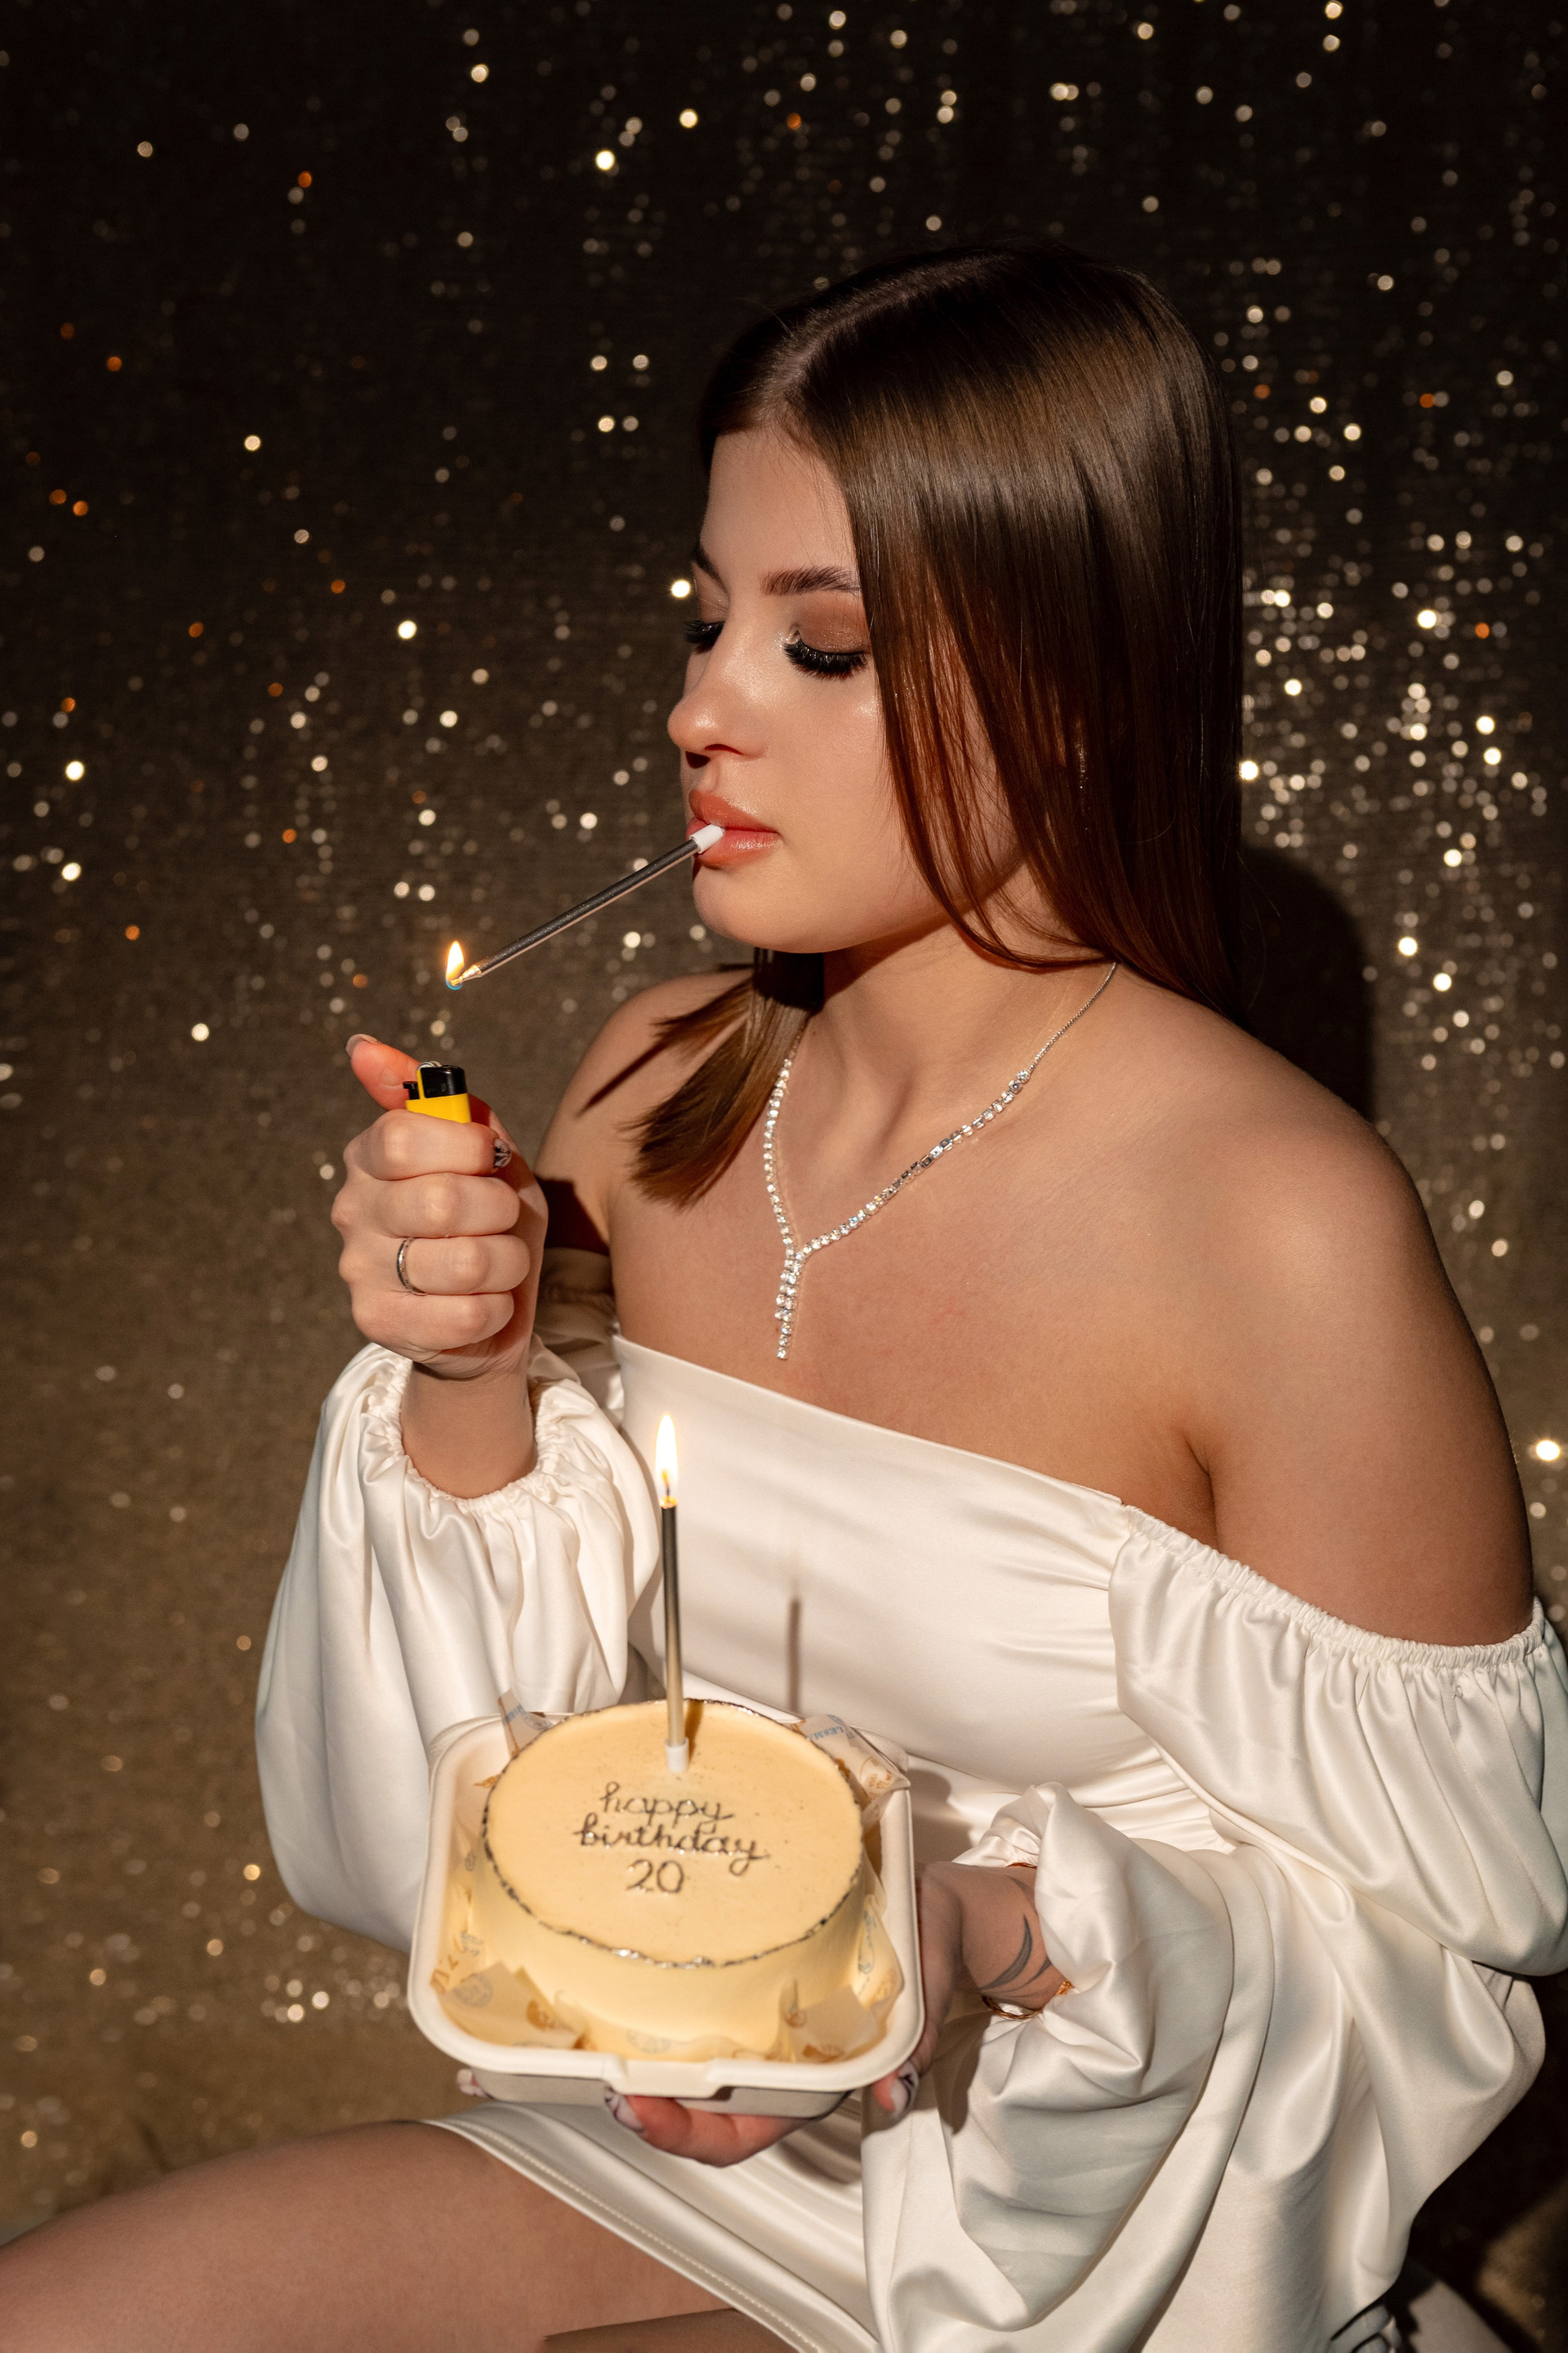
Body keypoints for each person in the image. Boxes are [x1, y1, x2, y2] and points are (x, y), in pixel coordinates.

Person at [4, 244, 1564, 2353]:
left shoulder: (1277, 1221)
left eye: (820, 644)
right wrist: (465, 1371)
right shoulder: (654, 1088)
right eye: (706, 618)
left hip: (1116, 2251)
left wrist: (985, 1931)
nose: (700, 707)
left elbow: (1434, 1968)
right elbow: (455, 1832)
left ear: (1074, 678)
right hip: (681, 2158)